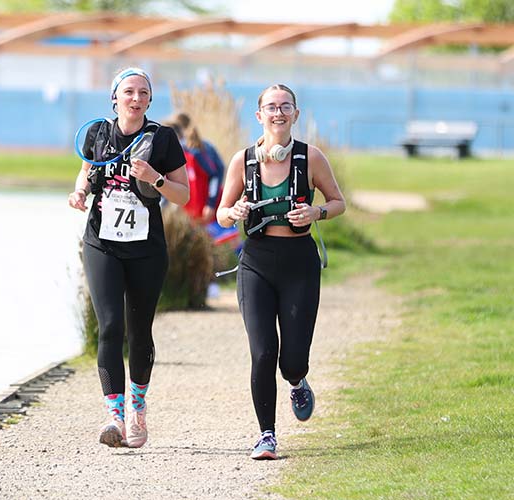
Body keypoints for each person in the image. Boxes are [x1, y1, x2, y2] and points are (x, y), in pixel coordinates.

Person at [216, 84, 346, 460]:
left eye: (284, 106)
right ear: (258, 116)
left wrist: (315, 212)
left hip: (299, 263)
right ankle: (267, 436)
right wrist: (234, 213)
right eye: (270, 107)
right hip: (255, 262)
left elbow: (338, 202)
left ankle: (297, 380)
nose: (278, 112)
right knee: (262, 352)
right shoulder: (242, 161)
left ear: (295, 114)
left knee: (291, 359)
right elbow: (221, 213)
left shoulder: (311, 157)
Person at [68, 67, 189, 448]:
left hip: (146, 249)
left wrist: (154, 177)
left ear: (150, 101)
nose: (135, 99)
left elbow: (183, 195)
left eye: (143, 93)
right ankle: (115, 417)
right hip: (102, 243)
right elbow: (86, 171)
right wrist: (80, 193)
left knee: (139, 333)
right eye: (129, 92)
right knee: (109, 327)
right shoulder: (97, 134)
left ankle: (138, 407)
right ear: (114, 98)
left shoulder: (163, 138)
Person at [171, 112, 226, 224]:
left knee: (227, 238)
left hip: (210, 204)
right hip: (194, 208)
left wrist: (211, 203)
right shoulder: (180, 152)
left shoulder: (197, 151)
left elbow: (216, 173)